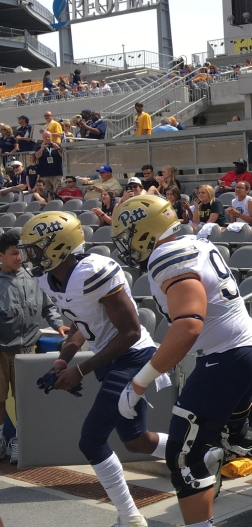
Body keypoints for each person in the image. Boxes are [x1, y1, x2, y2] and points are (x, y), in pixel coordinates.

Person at [110, 195, 252, 526]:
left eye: (127, 233)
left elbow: (189, 324)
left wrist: (140, 381)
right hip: (243, 349)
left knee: (184, 454)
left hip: (226, 357)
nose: (125, 243)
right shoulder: (193, 243)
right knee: (236, 433)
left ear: (145, 230)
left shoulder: (168, 255)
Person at [20, 213, 169, 527]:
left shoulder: (93, 271)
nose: (30, 254)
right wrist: (64, 360)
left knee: (91, 440)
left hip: (133, 357)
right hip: (109, 359)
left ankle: (130, 517)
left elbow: (129, 332)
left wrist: (81, 371)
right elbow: (79, 323)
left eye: (36, 247)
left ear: (59, 246)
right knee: (136, 441)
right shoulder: (49, 278)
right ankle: (203, 452)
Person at [0, 231, 70, 464]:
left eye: (20, 252)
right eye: (12, 254)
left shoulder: (33, 277)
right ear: (1, 256)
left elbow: (47, 307)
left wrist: (59, 325)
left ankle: (21, 440)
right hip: (1, 349)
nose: (19, 257)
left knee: (24, 397)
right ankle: (1, 439)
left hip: (27, 348)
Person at [33, 130, 64, 198]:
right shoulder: (39, 146)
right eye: (45, 137)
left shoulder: (57, 145)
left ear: (51, 137)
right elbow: (37, 156)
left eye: (48, 137)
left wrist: (58, 149)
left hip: (57, 173)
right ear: (42, 138)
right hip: (45, 174)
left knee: (58, 191)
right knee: (47, 193)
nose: (47, 138)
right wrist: (41, 149)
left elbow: (63, 156)